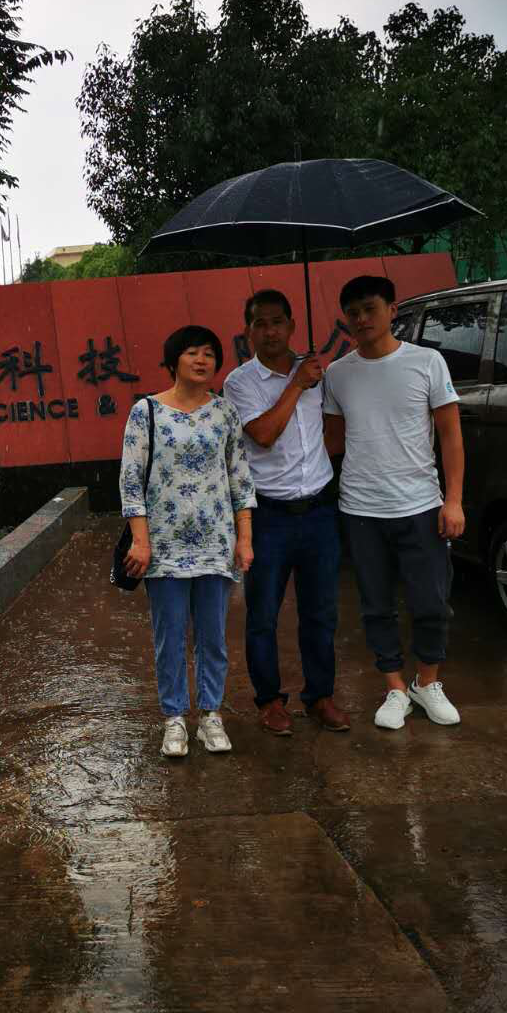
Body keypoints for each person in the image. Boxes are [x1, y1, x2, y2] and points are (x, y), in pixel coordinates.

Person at [322, 274, 465, 730]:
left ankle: (428, 682)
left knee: (432, 602)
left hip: (421, 505)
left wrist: (454, 501)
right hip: (361, 508)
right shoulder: (337, 374)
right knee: (375, 604)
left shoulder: (427, 362)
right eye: (353, 313)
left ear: (392, 310)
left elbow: (451, 435)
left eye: (370, 309)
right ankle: (395, 687)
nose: (362, 319)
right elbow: (332, 442)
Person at [119, 324, 256, 758]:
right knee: (170, 636)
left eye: (210, 354)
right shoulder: (146, 412)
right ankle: (175, 718)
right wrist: (140, 542)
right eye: (193, 352)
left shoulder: (225, 413)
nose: (202, 360)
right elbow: (131, 482)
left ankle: (211, 715)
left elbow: (240, 480)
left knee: (213, 637)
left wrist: (245, 538)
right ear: (173, 359)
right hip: (164, 548)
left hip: (216, 544)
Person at [223, 290, 350, 735]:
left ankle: (321, 696)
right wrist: (296, 384)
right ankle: (270, 701)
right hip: (269, 516)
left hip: (319, 511)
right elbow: (262, 433)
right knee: (263, 615)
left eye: (277, 321)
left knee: (321, 611)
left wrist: (308, 380)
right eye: (260, 323)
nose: (270, 331)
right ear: (248, 331)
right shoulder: (240, 383)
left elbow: (335, 428)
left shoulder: (318, 373)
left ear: (292, 325)